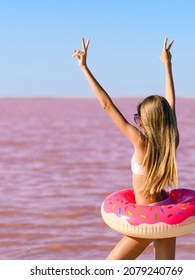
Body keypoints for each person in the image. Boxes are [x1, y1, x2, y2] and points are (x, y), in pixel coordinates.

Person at [73, 37, 179, 260]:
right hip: (167, 211)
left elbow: (107, 105)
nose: (137, 121)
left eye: (138, 117)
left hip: (148, 217)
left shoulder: (141, 143)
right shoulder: (172, 139)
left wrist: (84, 68)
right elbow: (170, 105)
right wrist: (167, 65)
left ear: (147, 120)